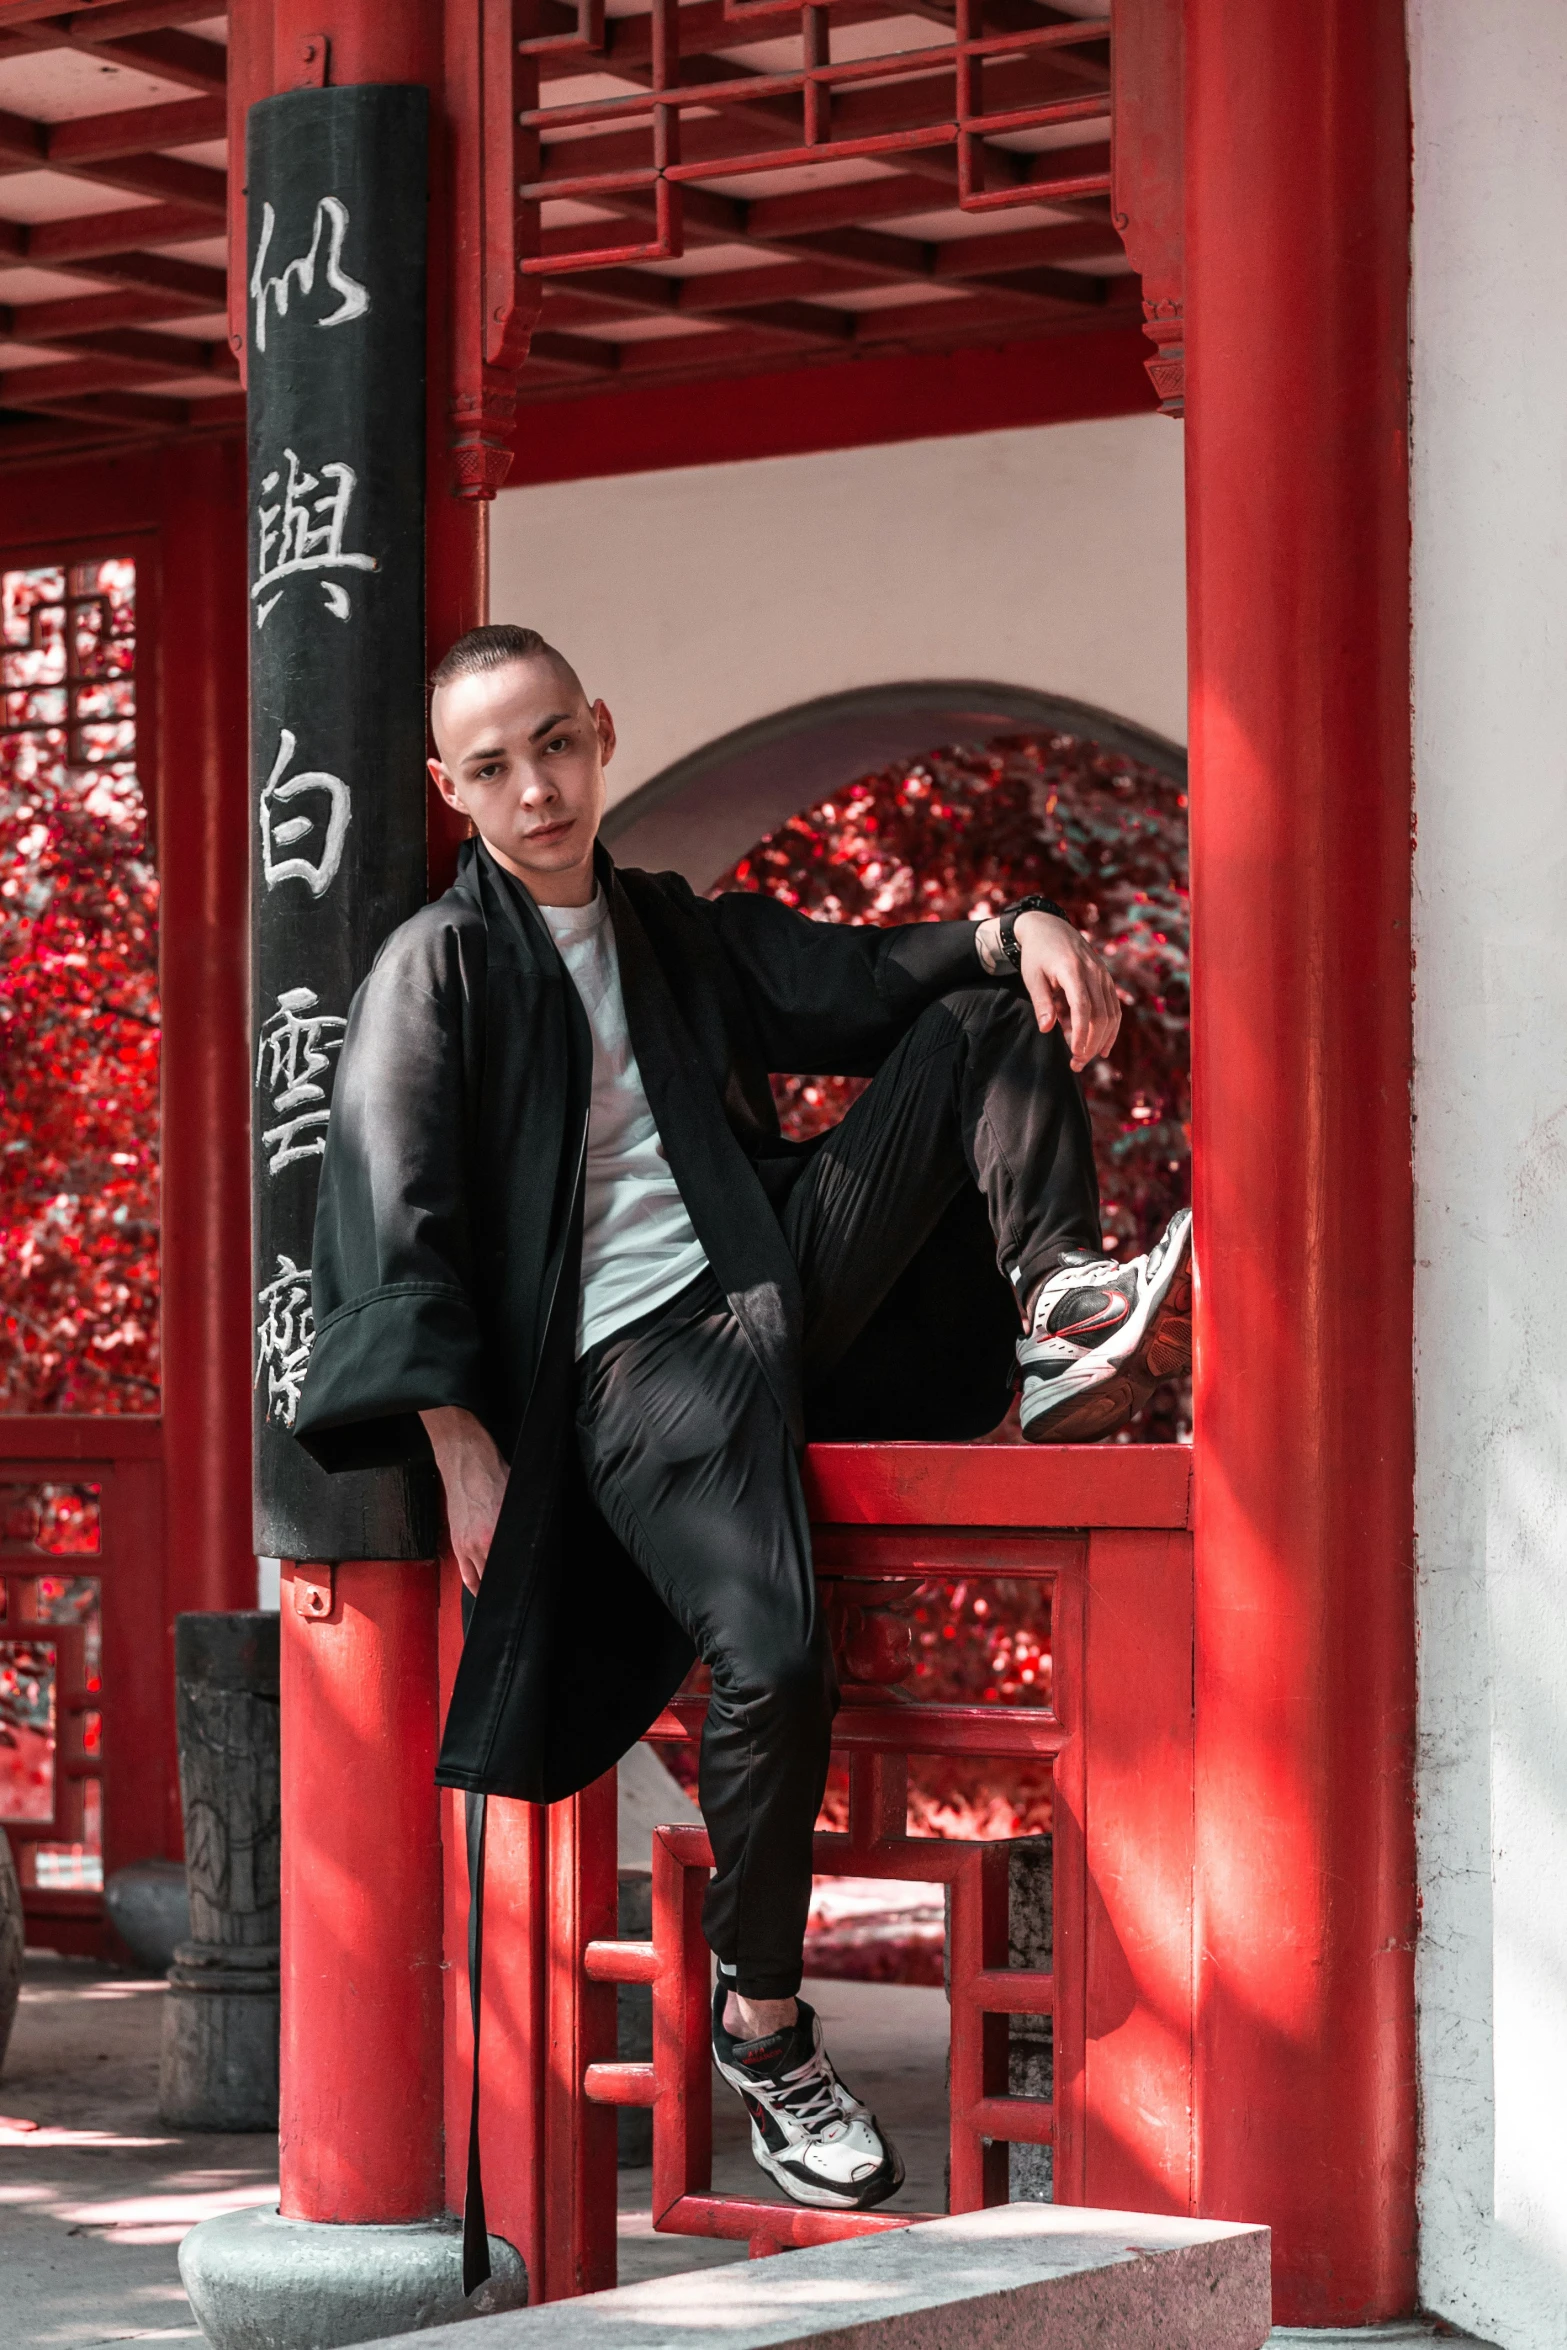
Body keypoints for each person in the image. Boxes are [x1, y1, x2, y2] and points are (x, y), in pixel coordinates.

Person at [294, 624, 1191, 2215]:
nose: (532, 784)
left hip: (775, 1278)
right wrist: (457, 1441)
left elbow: (857, 979)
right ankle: (765, 2026)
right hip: (631, 1369)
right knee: (770, 1656)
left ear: (601, 731)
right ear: (451, 790)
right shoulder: (435, 967)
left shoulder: (666, 929)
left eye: (552, 743)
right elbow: (391, 1212)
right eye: (490, 765)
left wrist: (1020, 922)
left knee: (979, 1016)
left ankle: (1060, 1304)